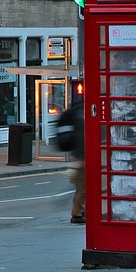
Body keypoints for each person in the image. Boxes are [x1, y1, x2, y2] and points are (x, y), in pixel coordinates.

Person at [53, 94, 85, 225]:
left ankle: (81, 212)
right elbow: (80, 138)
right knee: (83, 187)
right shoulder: (81, 115)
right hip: (83, 157)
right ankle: (77, 214)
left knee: (82, 187)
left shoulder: (76, 113)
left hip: (80, 156)